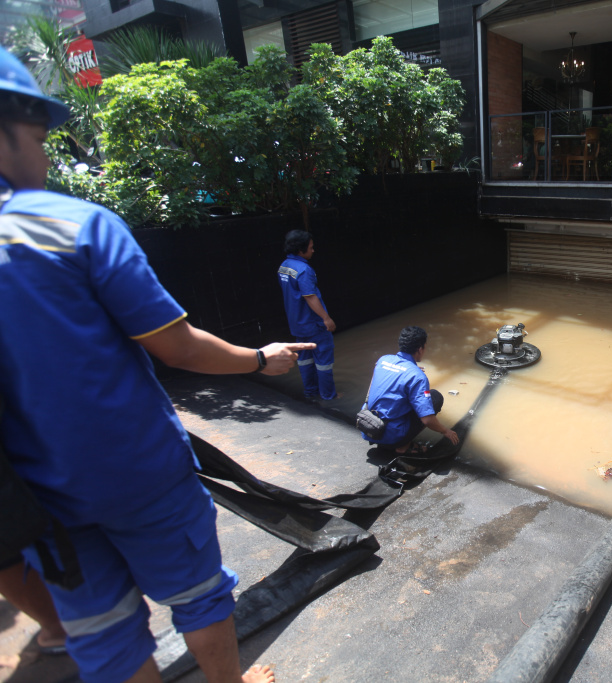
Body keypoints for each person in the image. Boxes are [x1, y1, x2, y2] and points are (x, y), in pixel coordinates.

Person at [0, 46, 312, 683]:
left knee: (104, 636)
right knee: (198, 594)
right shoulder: (71, 227)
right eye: (36, 137)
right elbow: (178, 346)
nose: (46, 155)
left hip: (36, 497)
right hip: (137, 472)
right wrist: (260, 358)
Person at [361, 326, 459, 454]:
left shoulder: (383, 360)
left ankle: (393, 439)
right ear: (420, 349)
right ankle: (403, 446)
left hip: (368, 427)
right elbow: (427, 419)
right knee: (435, 398)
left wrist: (412, 370)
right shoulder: (418, 377)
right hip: (391, 437)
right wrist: (445, 431)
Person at [278, 230, 338, 402]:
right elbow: (309, 296)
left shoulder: (284, 266)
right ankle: (329, 395)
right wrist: (326, 318)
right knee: (324, 360)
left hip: (297, 324)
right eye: (310, 248)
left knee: (304, 359)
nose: (313, 250)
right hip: (313, 323)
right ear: (300, 250)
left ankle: (310, 392)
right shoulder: (304, 270)